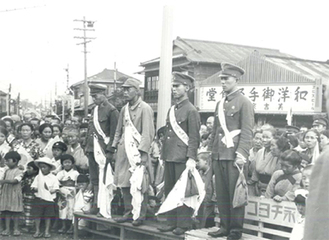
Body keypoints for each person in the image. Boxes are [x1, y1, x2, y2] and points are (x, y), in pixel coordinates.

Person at [207, 63, 254, 240]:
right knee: (222, 193)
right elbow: (215, 131)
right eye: (222, 79)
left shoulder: (244, 102)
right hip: (220, 154)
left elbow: (247, 131)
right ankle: (224, 226)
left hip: (235, 156)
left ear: (236, 79)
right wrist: (212, 152)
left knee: (235, 194)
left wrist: (241, 154)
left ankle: (235, 231)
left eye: (227, 79)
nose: (223, 82)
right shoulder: (220, 103)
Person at [157, 72, 200, 235]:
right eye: (173, 86)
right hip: (170, 155)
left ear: (187, 88)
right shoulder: (172, 109)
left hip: (182, 157)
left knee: (182, 191)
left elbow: (194, 137)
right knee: (170, 190)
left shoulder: (191, 110)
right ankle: (171, 222)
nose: (173, 89)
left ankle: (183, 224)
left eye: (177, 86)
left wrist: (191, 157)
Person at [112, 78, 155, 226]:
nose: (125, 92)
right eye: (124, 89)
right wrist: (113, 147)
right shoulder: (124, 109)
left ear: (137, 90)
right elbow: (119, 130)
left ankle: (140, 215)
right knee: (124, 183)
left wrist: (143, 153)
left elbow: (148, 133)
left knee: (138, 184)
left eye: (128, 89)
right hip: (124, 152)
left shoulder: (145, 108)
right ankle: (128, 212)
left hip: (137, 152)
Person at [84, 84, 119, 215]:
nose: (94, 99)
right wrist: (86, 146)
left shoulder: (112, 111)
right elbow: (90, 129)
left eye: (96, 96)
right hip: (92, 149)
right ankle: (95, 205)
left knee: (104, 180)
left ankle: (104, 208)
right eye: (92, 96)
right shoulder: (94, 110)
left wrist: (110, 151)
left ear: (104, 94)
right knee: (94, 180)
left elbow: (115, 133)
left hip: (103, 151)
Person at [31, 157, 59, 238]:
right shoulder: (38, 177)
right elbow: (33, 186)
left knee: (48, 216)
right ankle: (37, 230)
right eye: (41, 167)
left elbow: (56, 188)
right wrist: (36, 188)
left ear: (49, 168)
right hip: (39, 199)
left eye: (44, 167)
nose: (42, 169)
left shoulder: (53, 177)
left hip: (49, 200)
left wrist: (50, 190)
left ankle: (46, 231)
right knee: (37, 215)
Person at [248, 127, 281, 196]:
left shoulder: (277, 154)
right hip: (258, 187)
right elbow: (255, 172)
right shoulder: (260, 152)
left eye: (268, 137)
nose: (264, 140)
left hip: (272, 188)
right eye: (263, 137)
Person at [0, 151, 24, 236]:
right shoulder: (6, 171)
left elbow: (15, 180)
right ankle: (7, 228)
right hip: (6, 193)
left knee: (15, 212)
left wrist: (4, 181)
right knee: (7, 211)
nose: (6, 162)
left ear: (15, 160)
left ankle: (16, 228)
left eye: (8, 160)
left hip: (14, 194)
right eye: (5, 161)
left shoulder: (19, 171)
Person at [57, 154, 79, 234]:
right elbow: (57, 183)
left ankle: (71, 226)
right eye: (65, 162)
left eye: (69, 162)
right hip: (62, 191)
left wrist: (74, 190)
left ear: (72, 163)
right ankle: (63, 226)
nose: (67, 164)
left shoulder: (75, 173)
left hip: (72, 192)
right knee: (63, 209)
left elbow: (77, 184)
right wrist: (60, 191)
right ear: (62, 164)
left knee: (71, 208)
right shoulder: (60, 173)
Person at [195, 151, 215, 229]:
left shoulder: (212, 175)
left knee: (205, 223)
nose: (196, 163)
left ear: (206, 162)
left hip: (209, 204)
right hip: (201, 202)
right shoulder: (199, 173)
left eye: (198, 161)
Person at [21, 161, 39, 233]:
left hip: (32, 196)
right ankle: (27, 224)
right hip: (26, 196)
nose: (27, 169)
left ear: (35, 170)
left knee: (31, 211)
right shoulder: (26, 177)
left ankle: (30, 226)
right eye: (27, 168)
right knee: (26, 211)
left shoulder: (36, 178)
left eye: (29, 168)